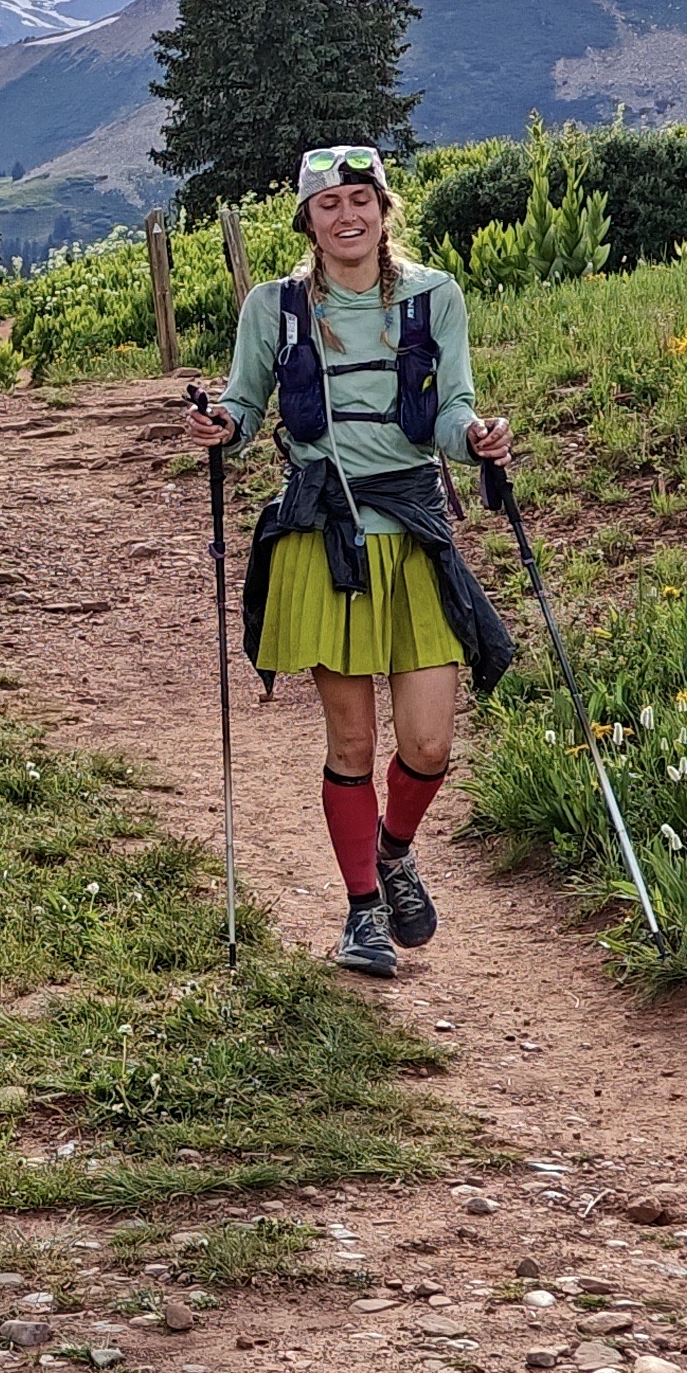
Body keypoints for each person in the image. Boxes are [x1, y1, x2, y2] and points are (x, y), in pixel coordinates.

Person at [183, 147, 518, 979]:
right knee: (354, 741)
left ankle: (393, 849)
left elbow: (454, 408)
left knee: (429, 744)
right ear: (308, 220)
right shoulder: (275, 307)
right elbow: (244, 403)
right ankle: (362, 911)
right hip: (323, 532)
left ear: (384, 209)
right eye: (329, 204)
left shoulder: (434, 297)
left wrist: (477, 439)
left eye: (360, 199)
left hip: (413, 530)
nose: (347, 216)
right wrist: (222, 425)